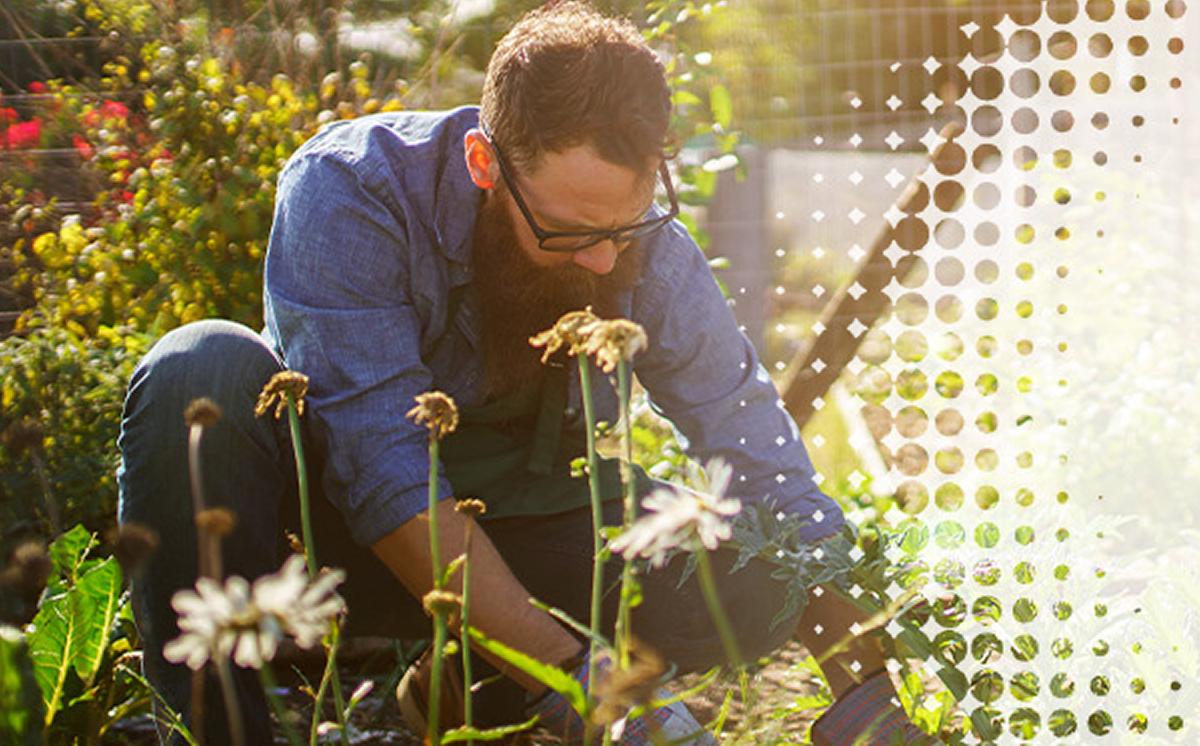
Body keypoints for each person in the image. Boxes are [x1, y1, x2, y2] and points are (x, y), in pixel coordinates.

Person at [119, 2, 935, 744]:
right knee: (200, 369)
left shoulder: (637, 237)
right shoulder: (353, 193)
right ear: (483, 162)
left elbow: (749, 435)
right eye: (571, 232)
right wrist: (588, 687)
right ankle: (219, 724)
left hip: (523, 516)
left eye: (630, 223)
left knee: (754, 579)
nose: (608, 257)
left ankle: (464, 688)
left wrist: (862, 678)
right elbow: (383, 471)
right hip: (327, 544)